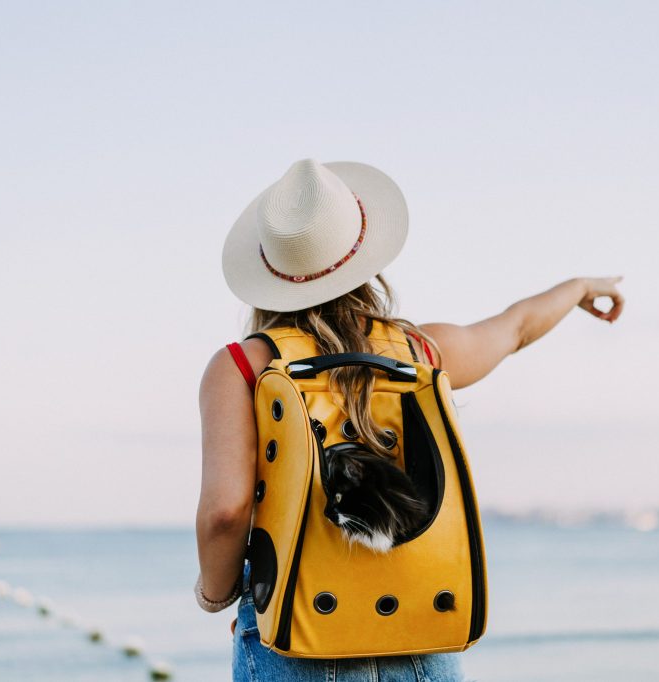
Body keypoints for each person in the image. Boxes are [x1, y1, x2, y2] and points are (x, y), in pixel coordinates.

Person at [195, 159, 625, 682]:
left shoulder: (243, 368)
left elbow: (225, 512)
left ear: (270, 273)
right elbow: (514, 329)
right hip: (421, 628)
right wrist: (579, 287)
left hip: (295, 636)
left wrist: (215, 593)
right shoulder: (418, 352)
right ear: (363, 262)